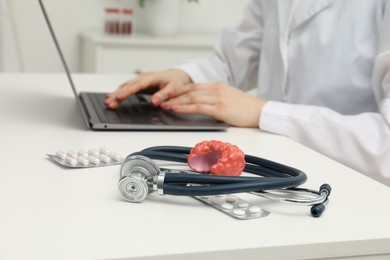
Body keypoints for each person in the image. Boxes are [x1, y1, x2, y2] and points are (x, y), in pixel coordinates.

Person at [106, 0, 390, 185]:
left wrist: (263, 112)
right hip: (272, 162)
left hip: (355, 180)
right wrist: (184, 77)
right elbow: (236, 58)